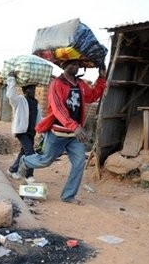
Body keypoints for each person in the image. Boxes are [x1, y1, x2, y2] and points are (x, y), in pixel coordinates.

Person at [17, 59, 107, 205]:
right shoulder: (56, 84)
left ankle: (68, 196)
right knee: (45, 161)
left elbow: (92, 96)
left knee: (78, 163)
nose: (75, 67)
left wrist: (101, 78)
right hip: (58, 133)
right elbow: (58, 109)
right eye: (72, 63)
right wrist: (74, 126)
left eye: (78, 64)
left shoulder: (80, 84)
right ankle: (25, 161)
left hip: (74, 135)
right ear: (64, 65)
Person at [5, 70, 42, 184]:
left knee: (23, 152)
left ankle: (12, 169)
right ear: (25, 90)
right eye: (30, 89)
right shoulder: (19, 100)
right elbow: (10, 95)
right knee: (30, 153)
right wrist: (11, 79)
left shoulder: (36, 103)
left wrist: (43, 130)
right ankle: (29, 175)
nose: (33, 91)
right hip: (22, 131)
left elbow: (39, 119)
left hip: (31, 132)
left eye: (34, 89)